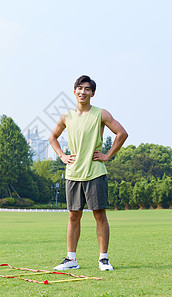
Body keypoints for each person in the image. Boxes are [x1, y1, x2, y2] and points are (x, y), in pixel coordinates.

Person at [48, 75, 128, 271]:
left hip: (95, 172)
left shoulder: (101, 114)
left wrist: (108, 155)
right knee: (73, 216)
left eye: (87, 89)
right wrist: (61, 155)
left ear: (92, 93)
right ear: (74, 91)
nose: (83, 92)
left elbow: (122, 133)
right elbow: (52, 137)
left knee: (100, 215)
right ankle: (71, 260)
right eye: (79, 88)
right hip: (73, 173)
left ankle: (103, 259)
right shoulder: (66, 116)